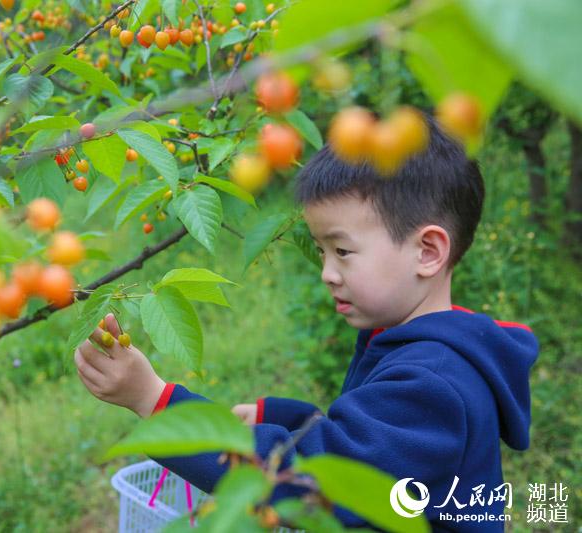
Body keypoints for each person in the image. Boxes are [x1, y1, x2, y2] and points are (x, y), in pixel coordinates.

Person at [73, 115, 539, 531]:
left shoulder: (432, 385)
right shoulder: (417, 345)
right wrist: (277, 414)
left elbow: (310, 481)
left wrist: (155, 401)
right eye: (322, 251)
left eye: (343, 251)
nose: (327, 272)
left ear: (428, 251)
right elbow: (361, 437)